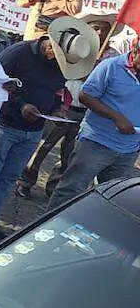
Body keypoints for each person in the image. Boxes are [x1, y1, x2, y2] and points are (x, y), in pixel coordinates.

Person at [0, 16, 98, 238]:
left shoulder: (63, 66)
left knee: (9, 176)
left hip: (33, 129)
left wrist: (55, 108)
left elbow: (55, 91)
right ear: (51, 47)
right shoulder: (19, 53)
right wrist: (21, 104)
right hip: (5, 123)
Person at [16, 10, 118, 199]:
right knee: (45, 146)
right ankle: (26, 180)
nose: (100, 33)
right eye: (96, 28)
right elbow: (66, 72)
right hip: (63, 106)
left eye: (105, 29)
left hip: (87, 111)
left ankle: (54, 186)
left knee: (70, 152)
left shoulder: (112, 56)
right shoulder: (75, 47)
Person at [45, 36, 140, 210]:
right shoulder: (111, 66)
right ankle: (46, 231)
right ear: (135, 49)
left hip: (129, 150)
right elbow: (85, 96)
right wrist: (116, 117)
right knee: (71, 190)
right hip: (96, 142)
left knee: (111, 199)